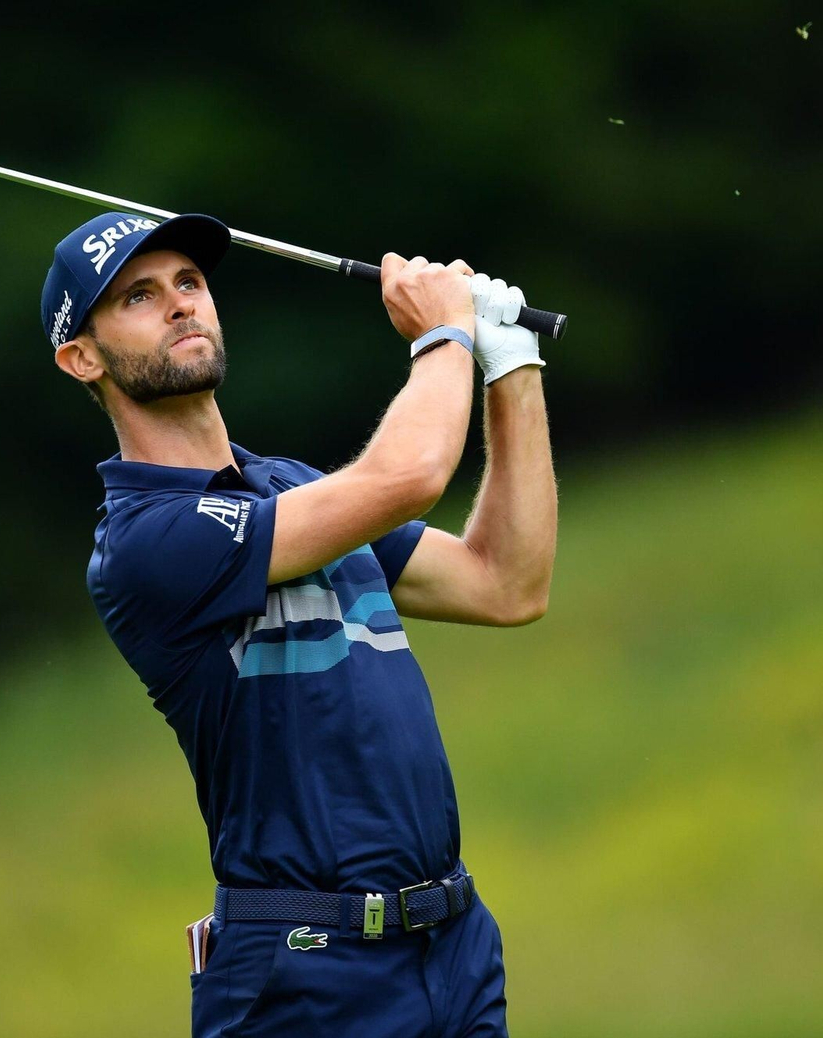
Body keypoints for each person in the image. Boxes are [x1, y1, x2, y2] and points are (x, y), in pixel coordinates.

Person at [42, 210, 556, 1037]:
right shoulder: (145, 542)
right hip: (308, 974)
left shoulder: (290, 486)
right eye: (140, 295)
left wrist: (511, 368)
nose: (181, 305)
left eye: (190, 283)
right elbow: (411, 474)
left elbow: (506, 582)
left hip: (455, 950)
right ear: (83, 358)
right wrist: (443, 337)